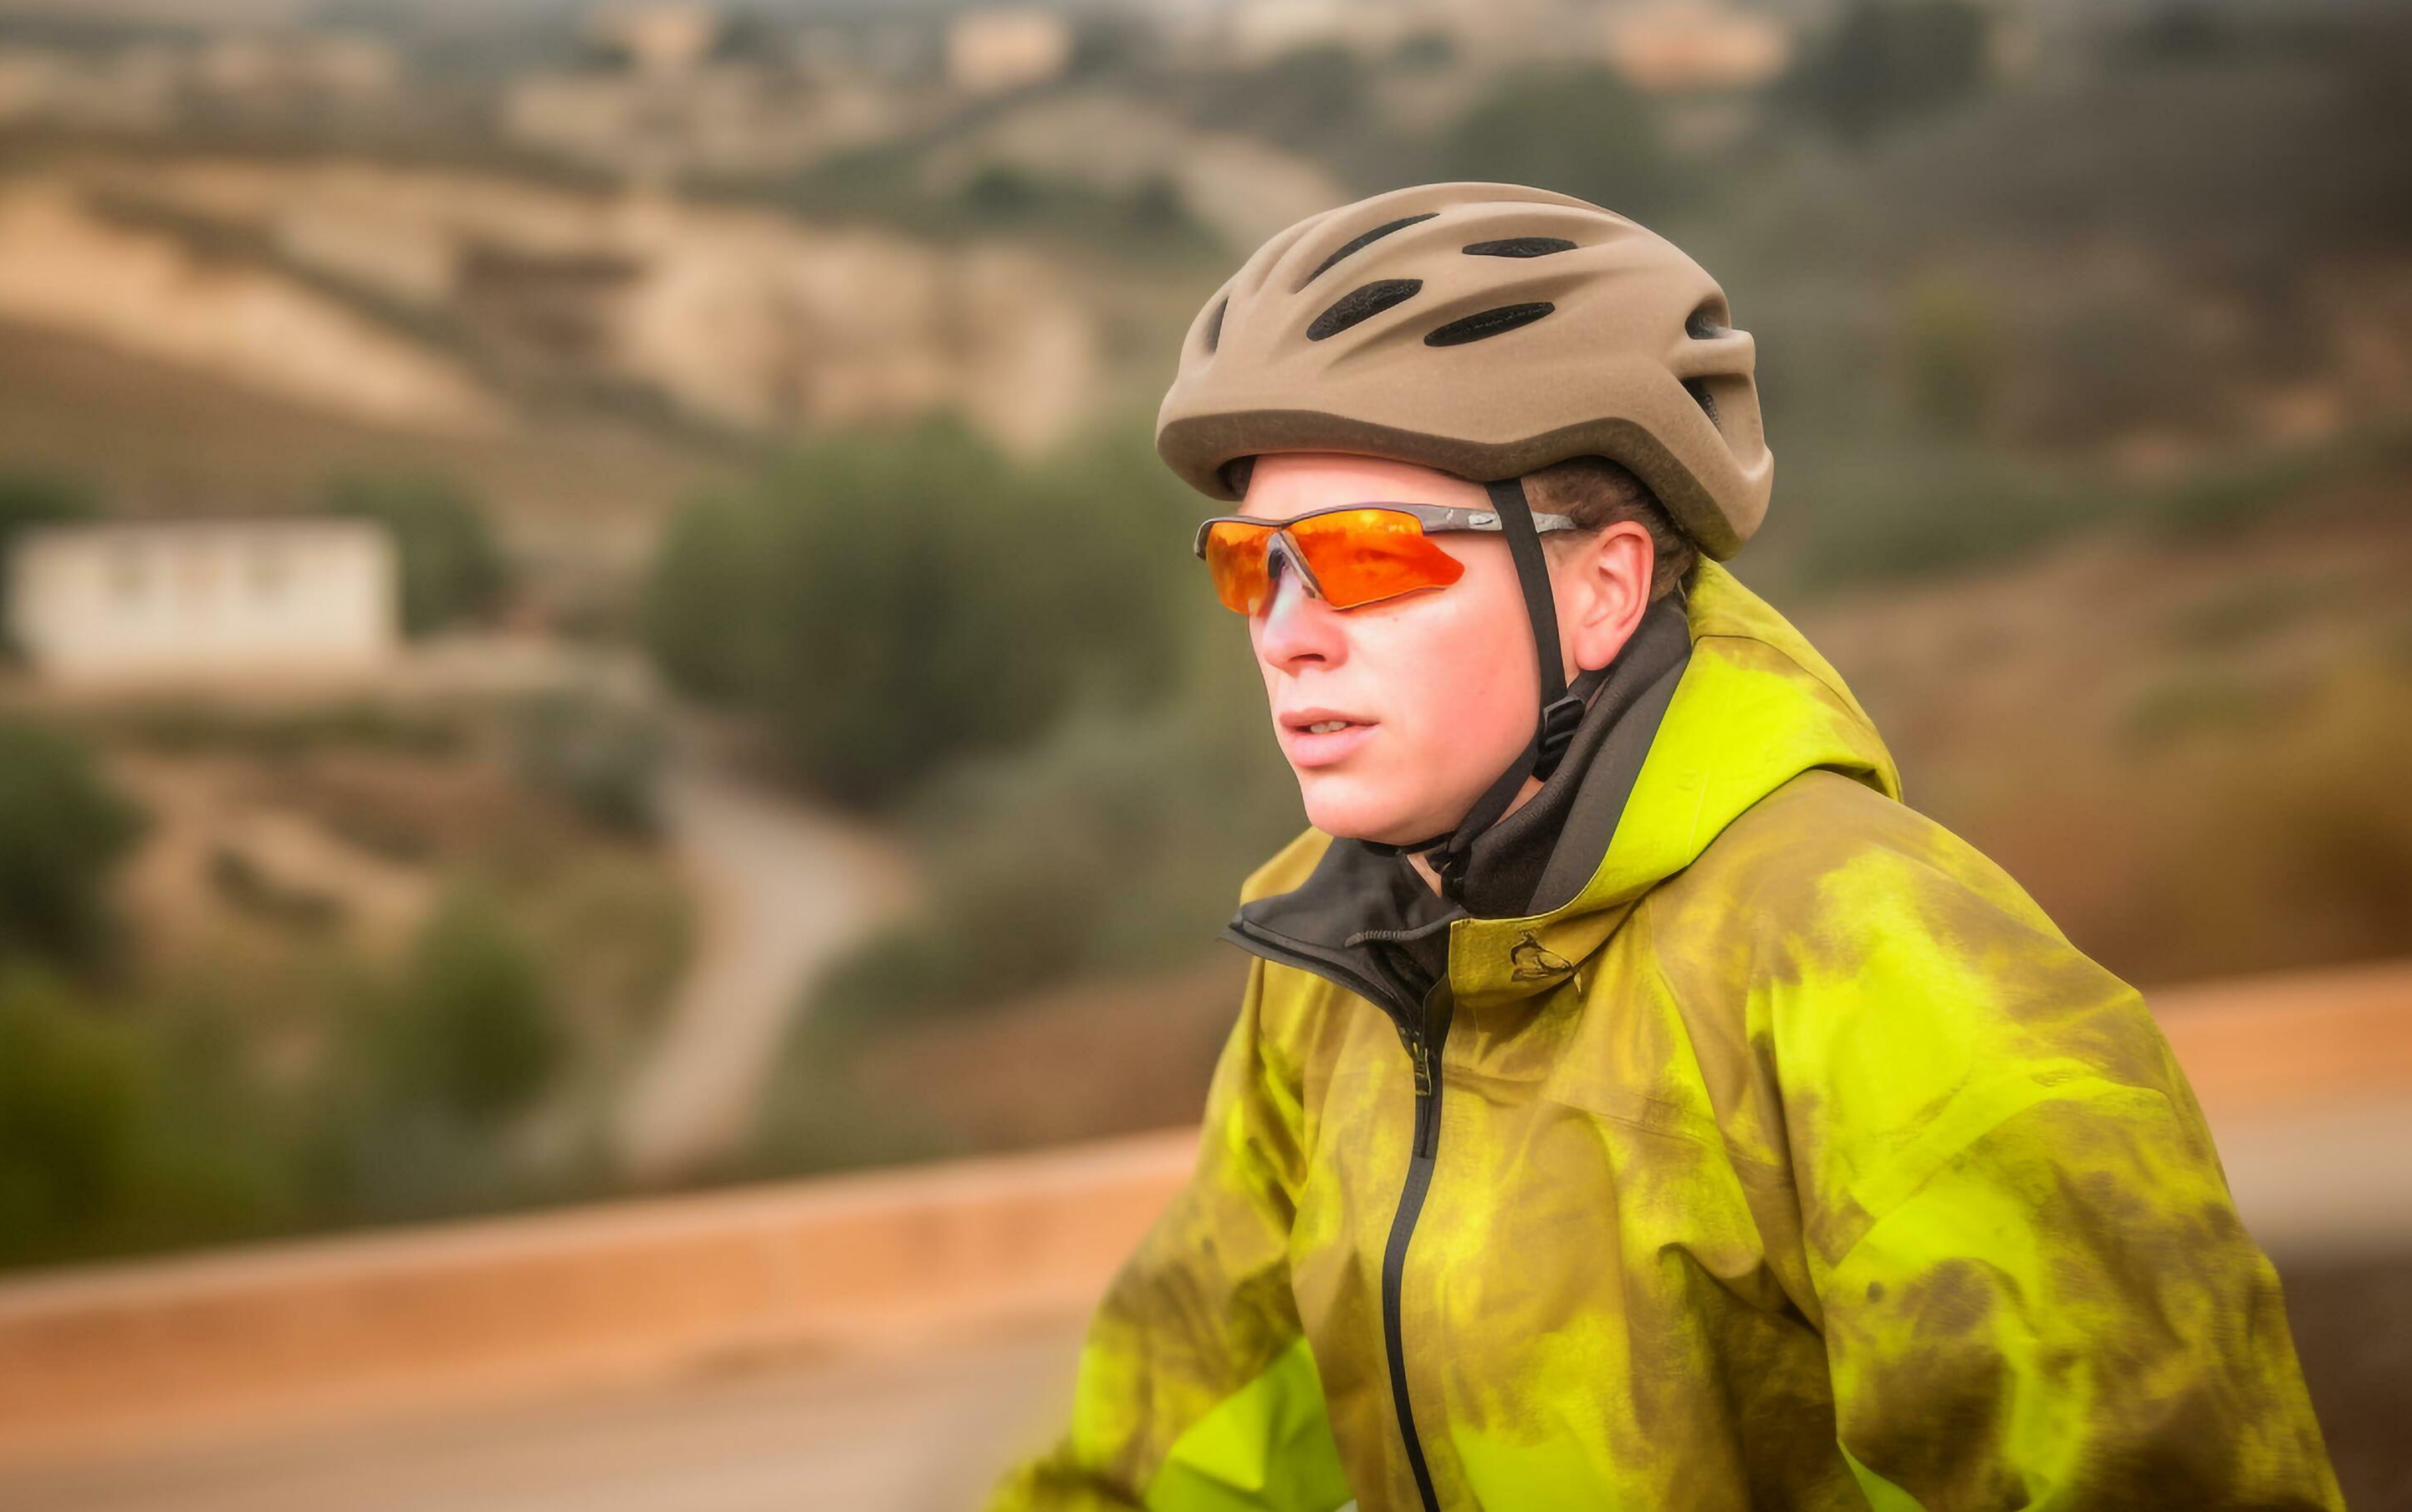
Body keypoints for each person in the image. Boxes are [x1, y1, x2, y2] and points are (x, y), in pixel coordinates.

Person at [982, 183, 2343, 1510]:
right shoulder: (1337, 947)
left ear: (1600, 588)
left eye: (1362, 557)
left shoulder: (1885, 971)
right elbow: (1165, 1448)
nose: (1284, 629)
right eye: (1247, 562)